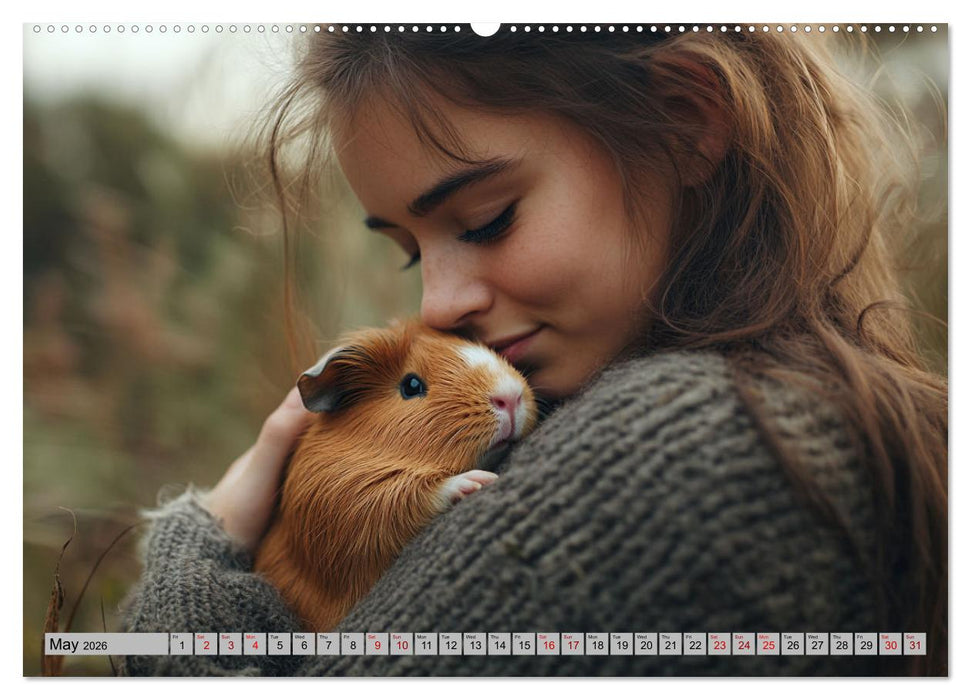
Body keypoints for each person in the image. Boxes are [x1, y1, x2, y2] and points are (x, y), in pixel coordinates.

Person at [121, 27, 947, 676]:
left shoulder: (686, 450)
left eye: (486, 220)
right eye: (411, 250)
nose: (436, 304)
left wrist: (196, 557)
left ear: (687, 124)